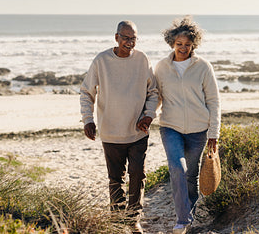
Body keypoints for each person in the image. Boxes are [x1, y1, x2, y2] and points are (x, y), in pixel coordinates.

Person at [80, 20, 158, 234]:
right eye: (125, 37)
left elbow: (153, 93)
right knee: (115, 179)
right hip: (111, 132)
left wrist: (149, 115)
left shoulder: (142, 60)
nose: (129, 42)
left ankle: (133, 219)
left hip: (137, 131)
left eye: (133, 38)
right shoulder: (101, 60)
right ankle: (116, 220)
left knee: (138, 174)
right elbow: (87, 92)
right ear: (116, 37)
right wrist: (88, 119)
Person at [154, 16, 221, 234]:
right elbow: (157, 97)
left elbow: (213, 100)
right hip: (170, 126)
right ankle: (182, 220)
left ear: (194, 44)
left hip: (198, 131)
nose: (183, 48)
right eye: (179, 44)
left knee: (191, 176)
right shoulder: (162, 67)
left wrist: (214, 132)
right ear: (172, 43)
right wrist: (146, 116)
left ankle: (188, 213)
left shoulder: (203, 67)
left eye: (187, 44)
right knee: (177, 168)